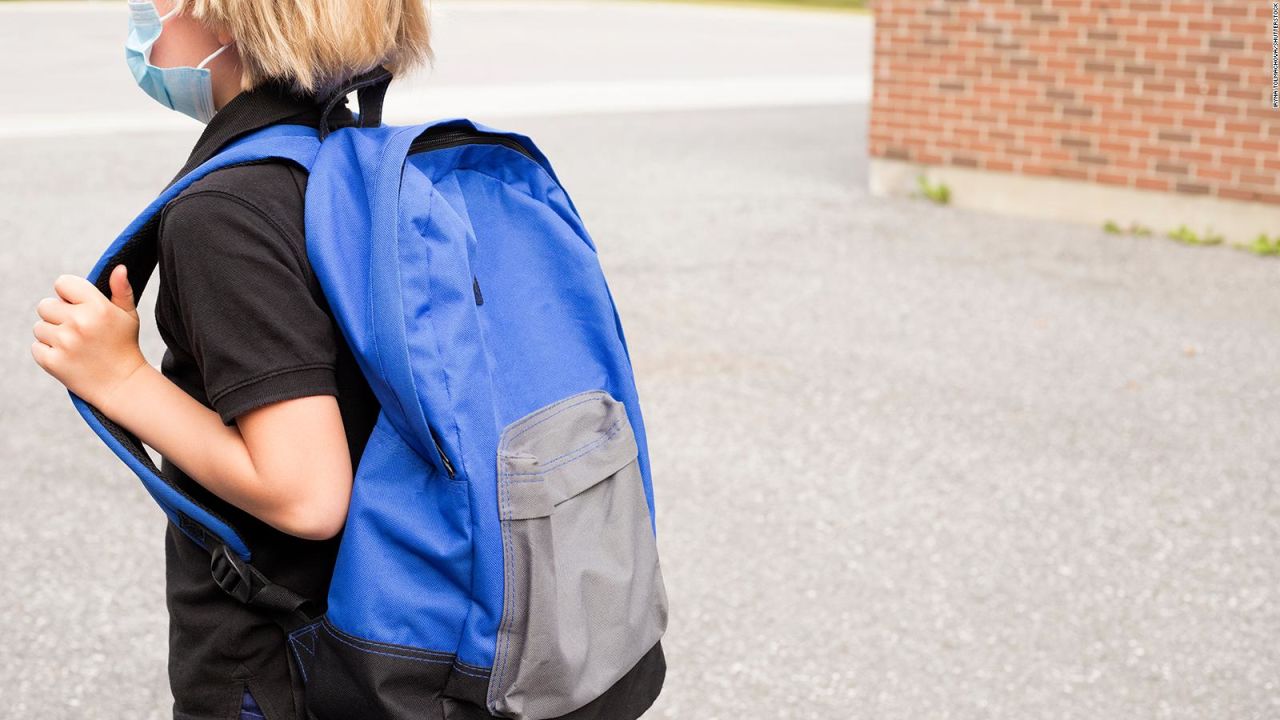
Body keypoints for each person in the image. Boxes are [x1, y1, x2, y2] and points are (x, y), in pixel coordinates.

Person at [29, 0, 431, 718]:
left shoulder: (228, 208)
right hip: (393, 638)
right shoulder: (352, 158)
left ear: (216, 16)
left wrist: (120, 379)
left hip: (283, 665)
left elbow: (307, 494)